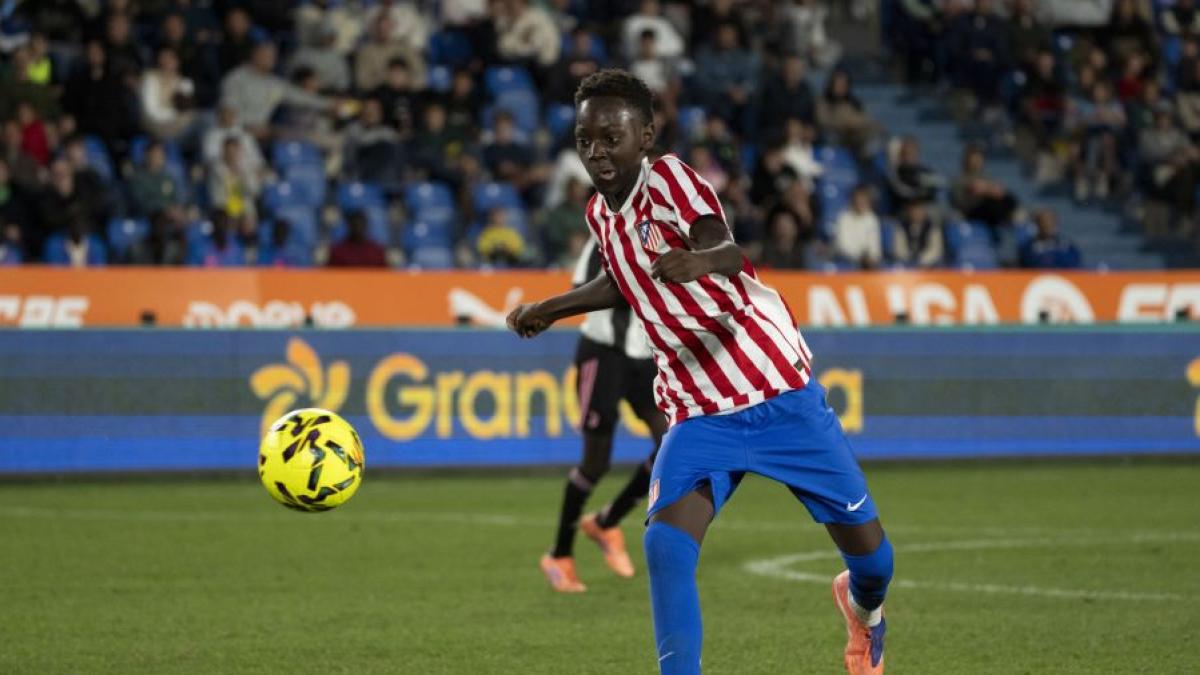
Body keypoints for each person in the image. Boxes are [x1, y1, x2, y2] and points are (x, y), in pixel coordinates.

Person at [506, 70, 892, 675]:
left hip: (775, 391)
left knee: (875, 564)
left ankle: (862, 609)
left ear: (647, 135)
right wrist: (548, 309)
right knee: (664, 544)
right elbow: (623, 279)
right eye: (586, 139)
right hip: (697, 405)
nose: (597, 151)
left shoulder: (672, 181)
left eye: (611, 137)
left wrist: (699, 260)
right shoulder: (600, 214)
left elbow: (727, 247)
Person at [539, 235, 670, 593]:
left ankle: (605, 521)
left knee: (670, 445)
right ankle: (559, 555)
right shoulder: (605, 234)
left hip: (646, 357)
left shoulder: (665, 233)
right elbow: (582, 287)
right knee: (595, 463)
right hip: (603, 354)